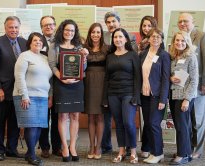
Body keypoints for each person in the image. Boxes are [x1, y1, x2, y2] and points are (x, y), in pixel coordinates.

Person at [48, 19, 88, 162]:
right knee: (63, 117)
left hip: (77, 86)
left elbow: (83, 68)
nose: (69, 33)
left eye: (72, 30)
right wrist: (62, 78)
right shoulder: (54, 46)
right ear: (62, 30)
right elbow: (52, 65)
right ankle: (64, 146)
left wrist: (85, 57)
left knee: (75, 117)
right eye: (67, 30)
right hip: (62, 85)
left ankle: (73, 146)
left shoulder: (78, 46)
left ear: (75, 32)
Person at [0, 16, 27, 161]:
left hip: (17, 91)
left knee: (14, 122)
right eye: (11, 27)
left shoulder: (23, 42)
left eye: (16, 27)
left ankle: (11, 149)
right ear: (5, 28)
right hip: (1, 91)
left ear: (19, 28)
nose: (14, 30)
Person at [177, 12, 205, 159]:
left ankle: (197, 151)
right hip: (183, 87)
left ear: (193, 22)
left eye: (185, 21)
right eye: (180, 21)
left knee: (197, 120)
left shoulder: (202, 36)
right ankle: (187, 148)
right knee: (186, 119)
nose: (182, 24)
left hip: (199, 86)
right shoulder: (180, 37)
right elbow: (181, 63)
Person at [13, 32, 52, 166]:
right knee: (31, 127)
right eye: (35, 40)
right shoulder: (24, 56)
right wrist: (24, 95)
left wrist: (49, 96)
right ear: (30, 42)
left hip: (42, 97)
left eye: (40, 41)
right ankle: (32, 155)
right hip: (27, 96)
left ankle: (30, 153)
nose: (38, 42)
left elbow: (49, 79)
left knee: (39, 126)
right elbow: (19, 77)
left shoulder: (45, 58)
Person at [102, 28, 141, 164]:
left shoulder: (132, 55)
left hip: (128, 93)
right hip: (113, 93)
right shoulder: (110, 56)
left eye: (120, 37)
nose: (117, 39)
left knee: (128, 123)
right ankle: (121, 151)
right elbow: (106, 78)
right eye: (115, 37)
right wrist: (104, 98)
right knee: (118, 123)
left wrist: (137, 96)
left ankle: (133, 151)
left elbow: (138, 77)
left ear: (125, 39)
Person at [139, 28, 170, 164]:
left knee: (154, 123)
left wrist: (163, 99)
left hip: (157, 95)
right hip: (144, 94)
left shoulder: (164, 55)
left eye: (158, 37)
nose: (155, 39)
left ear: (161, 39)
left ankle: (158, 153)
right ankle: (154, 151)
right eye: (152, 36)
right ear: (148, 38)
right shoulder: (143, 54)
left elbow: (165, 78)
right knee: (148, 124)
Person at [168, 31, 198, 165]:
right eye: (177, 40)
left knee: (182, 126)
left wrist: (187, 99)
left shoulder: (191, 57)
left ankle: (183, 155)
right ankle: (185, 151)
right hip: (174, 95)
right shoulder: (173, 57)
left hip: (184, 97)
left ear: (187, 43)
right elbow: (171, 75)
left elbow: (194, 80)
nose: (179, 43)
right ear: (173, 42)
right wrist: (170, 78)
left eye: (183, 41)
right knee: (180, 126)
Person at [84, 23, 108, 160]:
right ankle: (91, 146)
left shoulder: (107, 48)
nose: (95, 35)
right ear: (89, 33)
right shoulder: (84, 48)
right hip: (88, 83)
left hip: (102, 83)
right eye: (93, 32)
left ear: (101, 34)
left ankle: (98, 146)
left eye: (98, 32)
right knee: (91, 116)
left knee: (100, 116)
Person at [38, 15, 62, 158]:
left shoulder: (61, 42)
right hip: (42, 87)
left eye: (51, 24)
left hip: (59, 86)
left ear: (55, 25)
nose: (49, 27)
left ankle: (57, 147)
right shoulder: (37, 42)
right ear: (41, 27)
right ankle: (44, 147)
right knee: (43, 119)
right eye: (45, 25)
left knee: (58, 117)